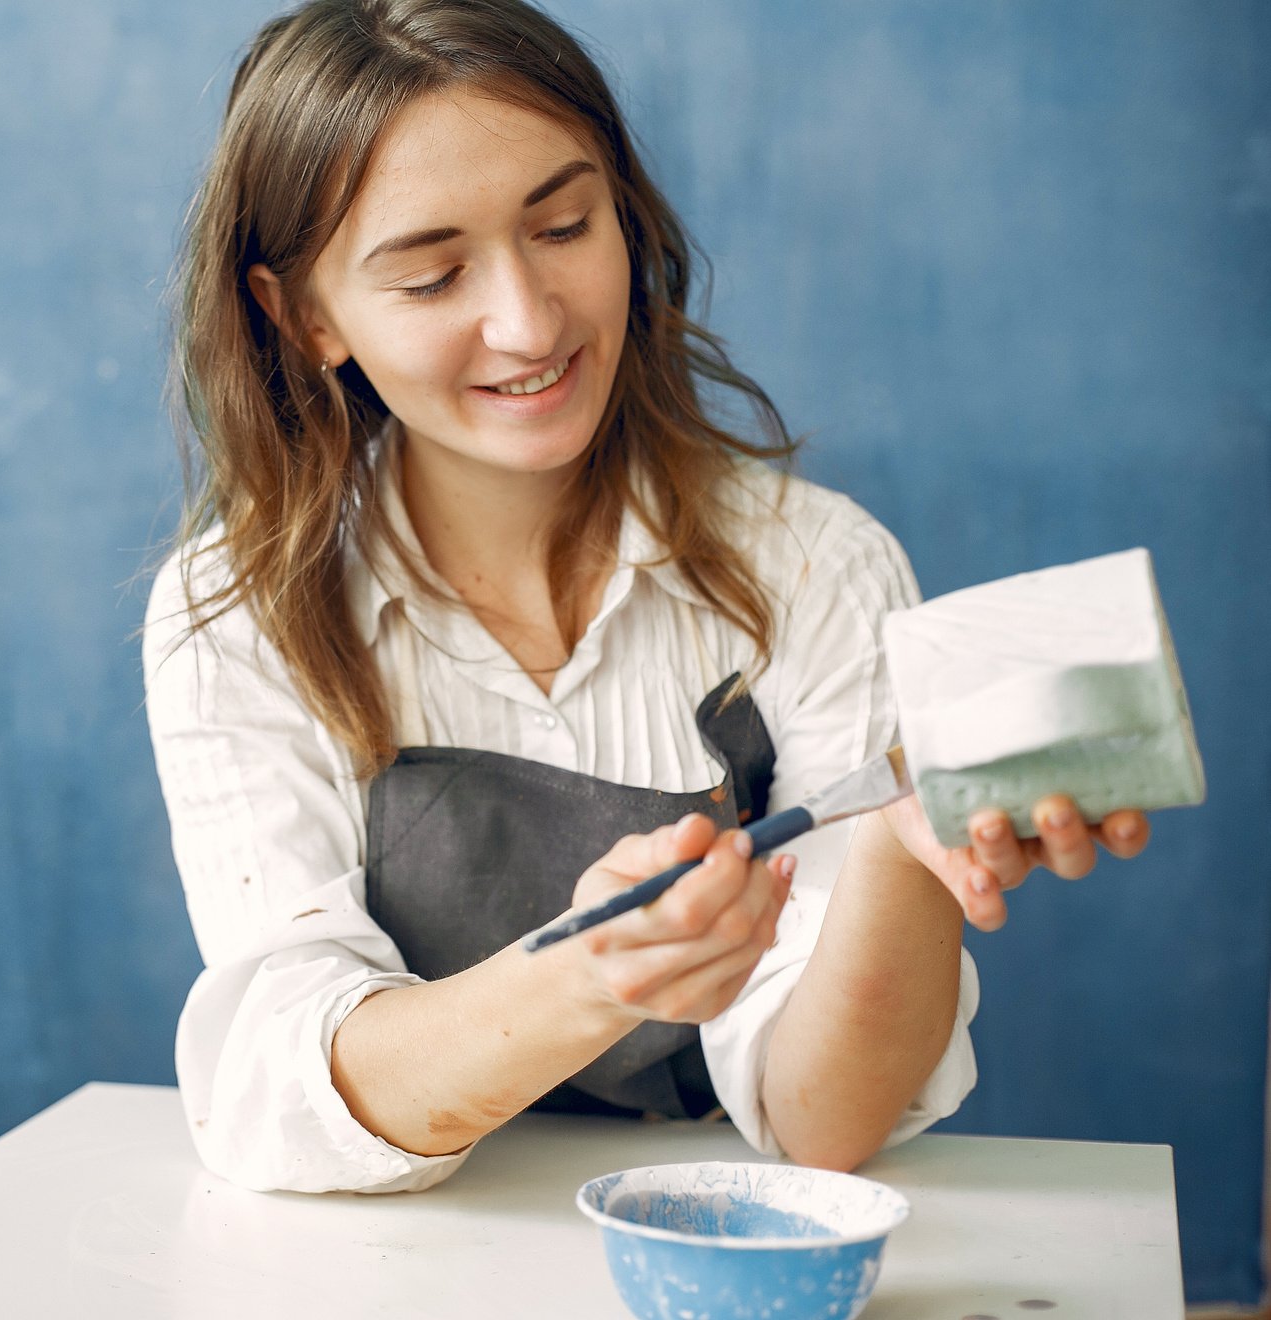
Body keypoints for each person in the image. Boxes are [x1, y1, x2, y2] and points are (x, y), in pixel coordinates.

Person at [141, 0, 1151, 1194]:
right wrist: (585, 976)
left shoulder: (817, 567)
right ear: (303, 317)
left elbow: (825, 1125)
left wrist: (899, 853)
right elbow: (282, 1093)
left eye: (564, 225)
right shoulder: (237, 614)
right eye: (431, 275)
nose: (527, 321)